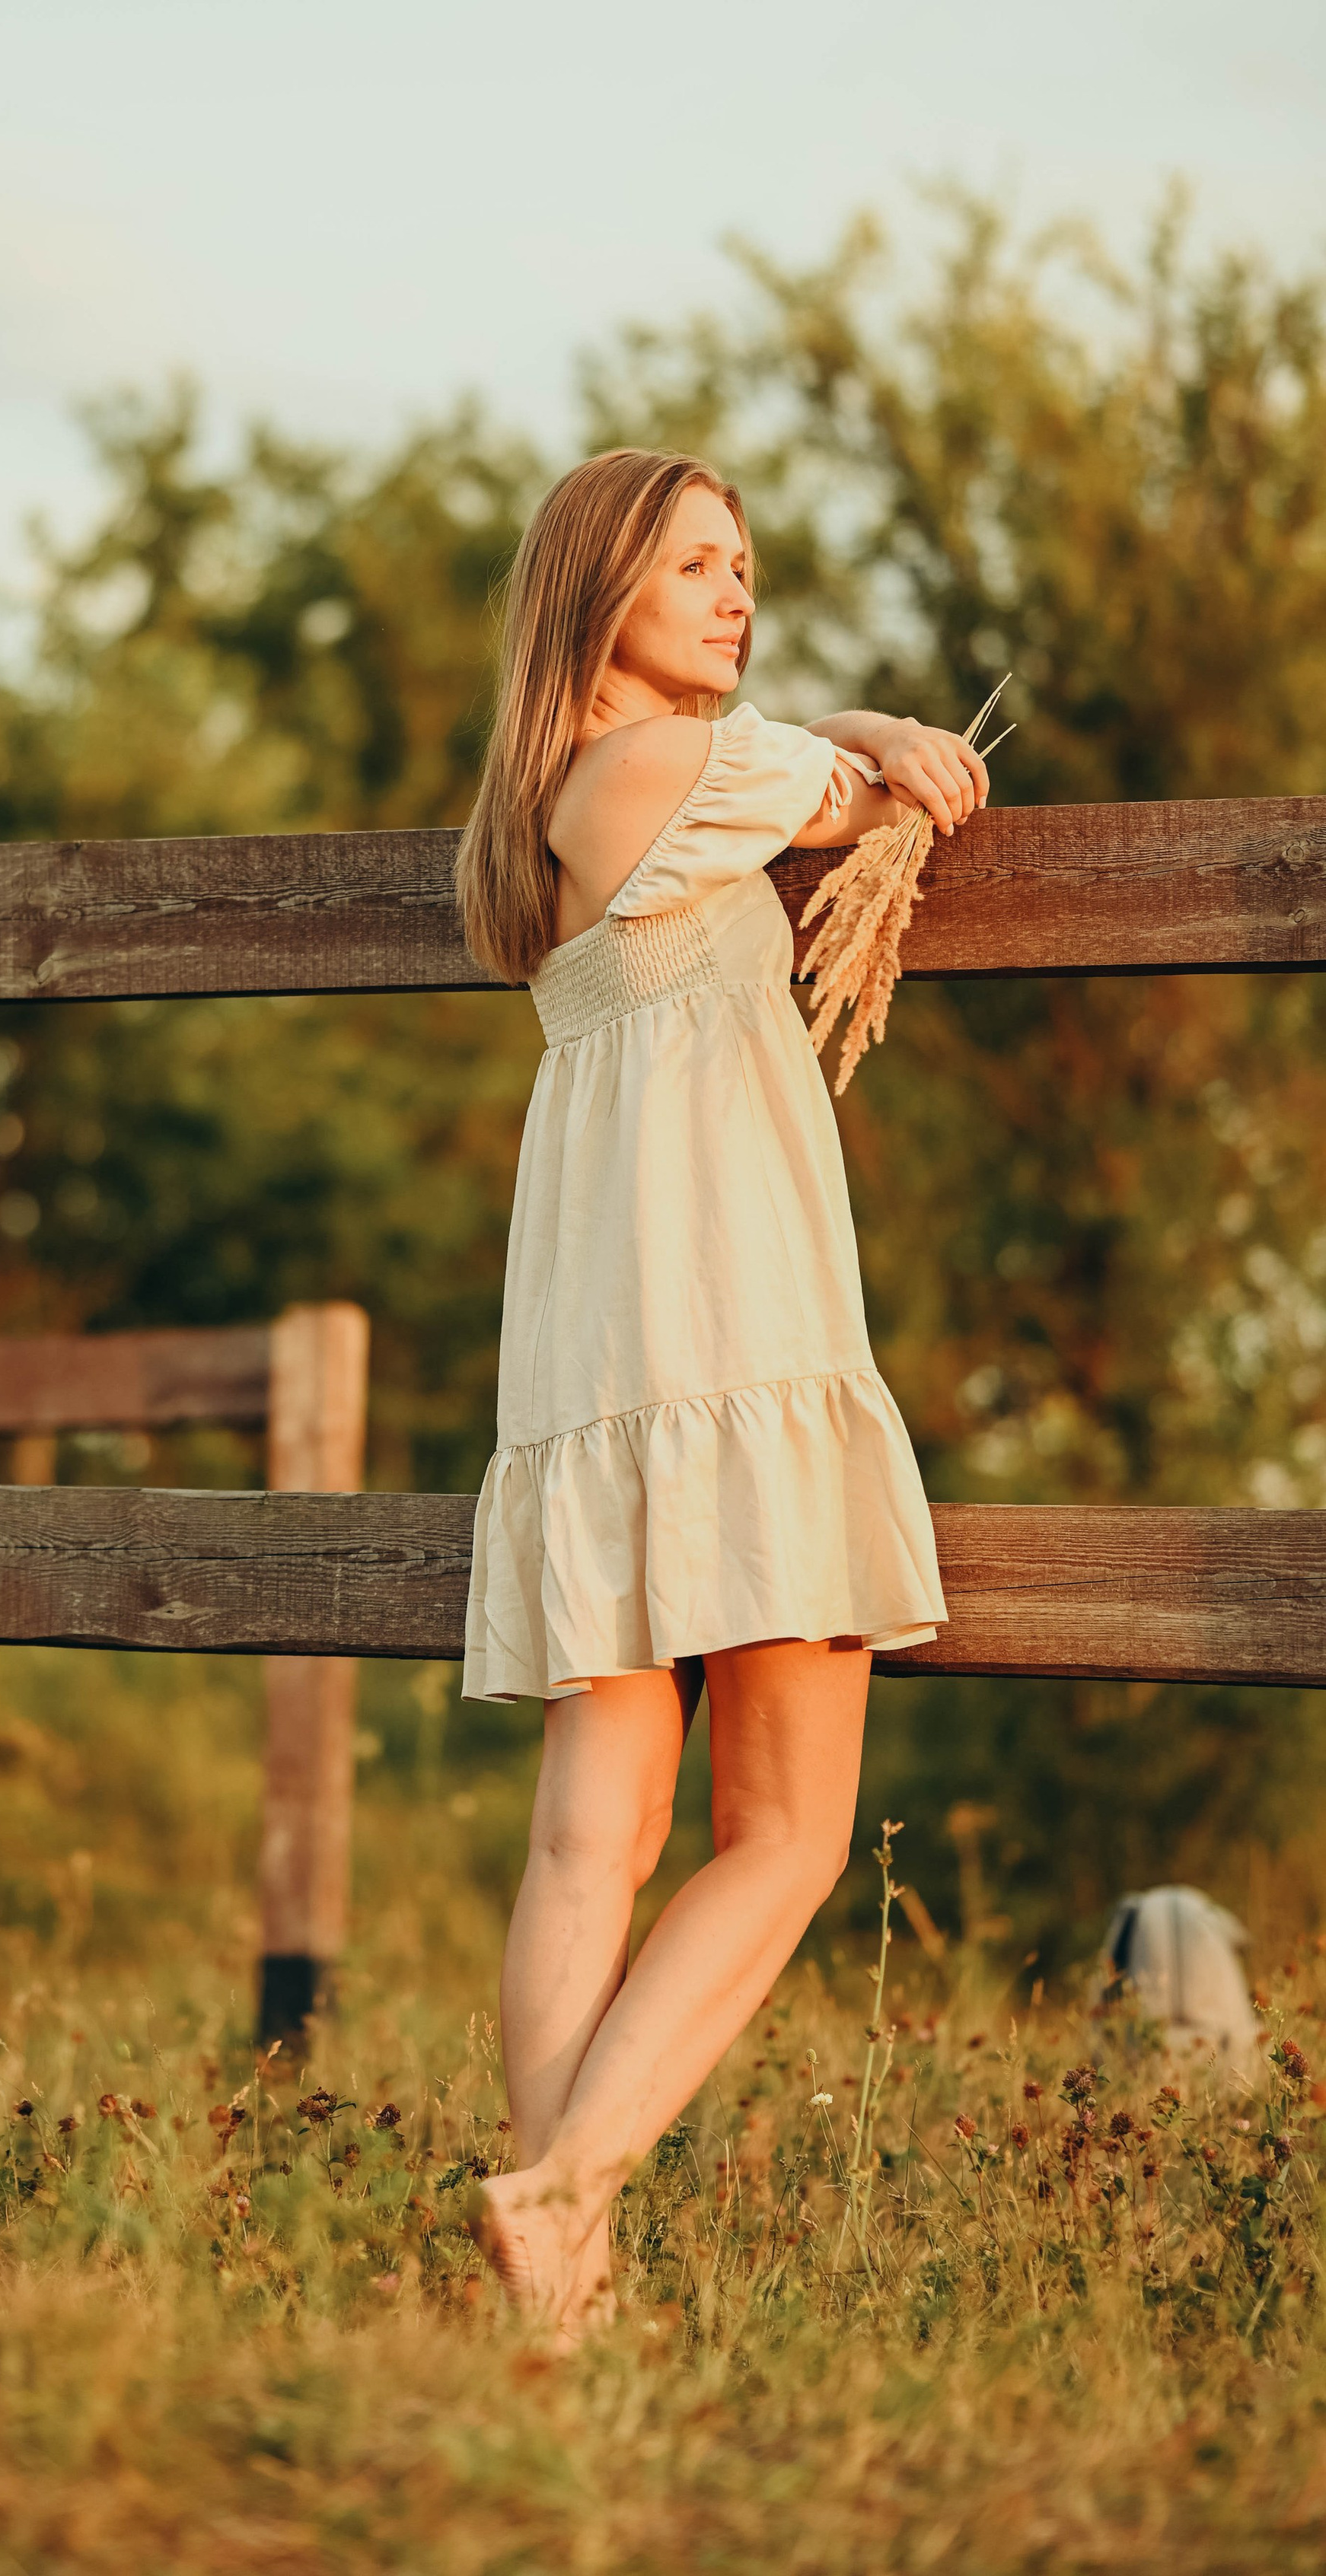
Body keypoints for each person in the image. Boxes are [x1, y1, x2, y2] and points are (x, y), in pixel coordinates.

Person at [453, 448, 986, 2335]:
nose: (732, 591)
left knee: (589, 1830)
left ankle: (554, 2282)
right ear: (596, 587)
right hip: (731, 1322)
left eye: (742, 567)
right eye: (693, 563)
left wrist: (845, 727)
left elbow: (816, 762)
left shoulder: (563, 797)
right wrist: (891, 723)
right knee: (783, 1830)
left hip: (596, 1356)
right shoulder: (676, 772)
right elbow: (871, 785)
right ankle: (568, 2185)